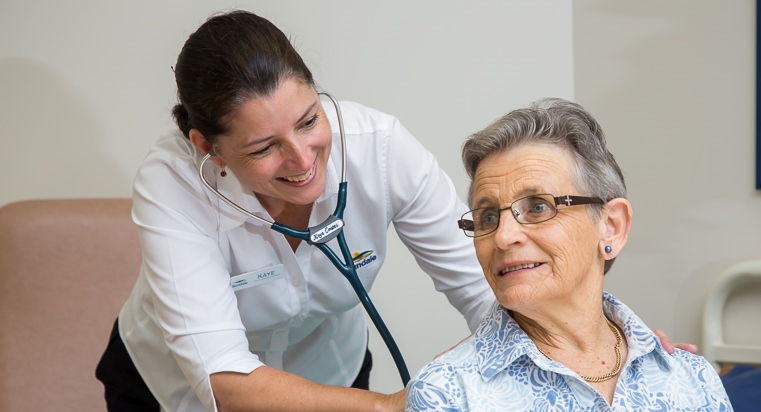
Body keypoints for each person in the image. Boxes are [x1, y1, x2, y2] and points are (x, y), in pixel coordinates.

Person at [94, 10, 691, 412]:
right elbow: (222, 373)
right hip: (171, 389)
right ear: (207, 146)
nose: (303, 159)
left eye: (309, 121)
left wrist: (602, 347)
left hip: (327, 373)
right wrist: (395, 405)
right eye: (264, 147)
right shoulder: (172, 183)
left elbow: (488, 285)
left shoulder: (377, 147)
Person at [405, 98, 733, 411]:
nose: (504, 236)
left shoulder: (692, 379)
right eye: (488, 217)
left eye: (537, 207)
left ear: (611, 226)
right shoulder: (446, 392)